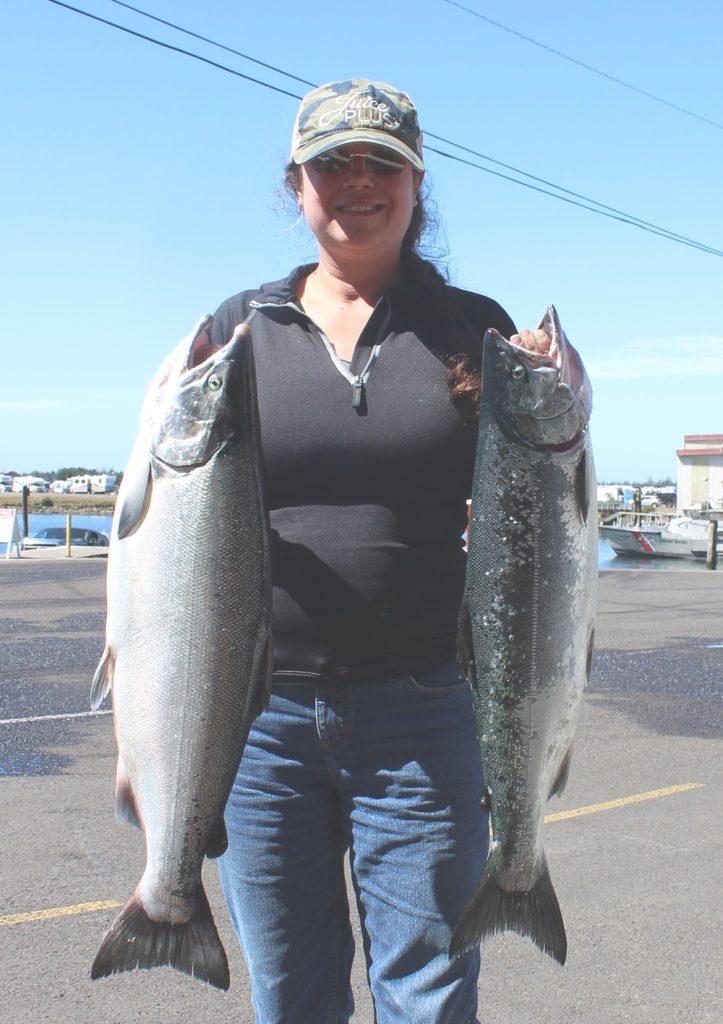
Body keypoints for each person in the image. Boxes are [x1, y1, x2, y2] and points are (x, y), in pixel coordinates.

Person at [209, 78, 550, 1024]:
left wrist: (572, 414)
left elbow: (535, 505)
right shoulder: (236, 330)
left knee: (429, 989)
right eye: (332, 165)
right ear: (296, 186)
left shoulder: (475, 328)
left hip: (426, 712)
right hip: (254, 720)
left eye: (381, 163)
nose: (358, 183)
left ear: (416, 180)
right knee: (291, 992)